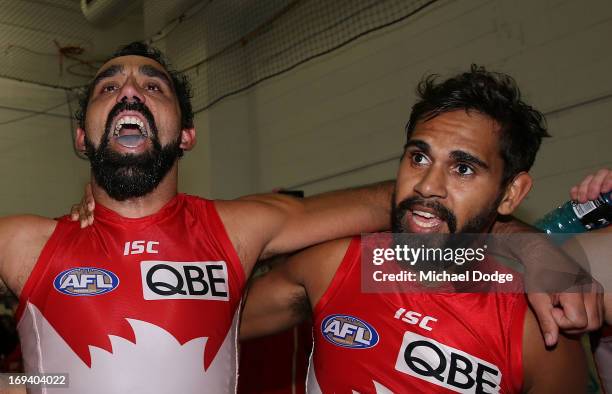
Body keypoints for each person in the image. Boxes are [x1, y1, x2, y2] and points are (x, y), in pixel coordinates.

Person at [0, 42, 394, 393]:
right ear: (82, 136)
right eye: (109, 87)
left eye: (153, 86)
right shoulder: (23, 243)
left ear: (187, 134)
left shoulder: (236, 228)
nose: (130, 92)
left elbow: (394, 205)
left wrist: (454, 249)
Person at [240, 66, 590, 393]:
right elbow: (207, 320)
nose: (426, 185)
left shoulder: (535, 329)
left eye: (464, 168)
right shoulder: (332, 267)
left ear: (511, 193)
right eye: (419, 157)